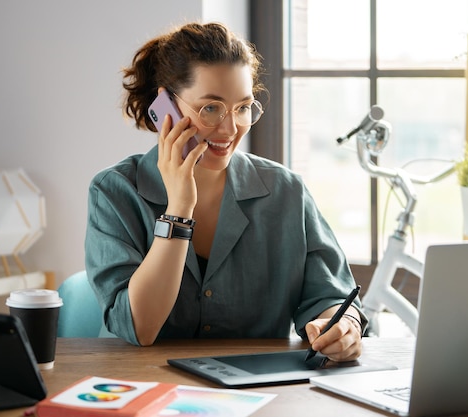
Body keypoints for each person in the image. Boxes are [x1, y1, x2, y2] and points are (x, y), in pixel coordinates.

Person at [85, 21, 366, 363]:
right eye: (211, 108)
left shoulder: (287, 192)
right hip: (139, 389)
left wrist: (343, 326)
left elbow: (330, 295)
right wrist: (180, 207)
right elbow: (140, 328)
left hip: (256, 391)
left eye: (243, 107)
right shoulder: (115, 192)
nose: (231, 129)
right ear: (165, 108)